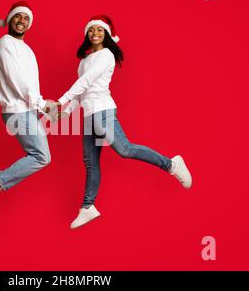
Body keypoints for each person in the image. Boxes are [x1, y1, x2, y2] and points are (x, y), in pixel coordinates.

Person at [51, 15, 192, 229]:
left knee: (124, 149)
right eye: (91, 30)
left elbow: (86, 82)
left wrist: (60, 101)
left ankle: (171, 164)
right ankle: (88, 206)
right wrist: (67, 112)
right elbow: (82, 92)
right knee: (90, 162)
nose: (95, 33)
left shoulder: (106, 55)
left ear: (106, 34)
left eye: (99, 30)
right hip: (89, 115)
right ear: (87, 35)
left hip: (103, 111)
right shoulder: (84, 61)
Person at [0, 1, 57, 215]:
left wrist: (39, 108)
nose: (22, 21)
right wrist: (40, 104)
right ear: (10, 19)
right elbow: (18, 80)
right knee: (41, 156)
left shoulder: (26, 49)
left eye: (26, 18)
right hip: (17, 110)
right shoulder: (5, 43)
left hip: (28, 109)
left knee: (41, 156)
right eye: (18, 16)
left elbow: (30, 82)